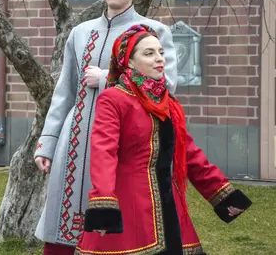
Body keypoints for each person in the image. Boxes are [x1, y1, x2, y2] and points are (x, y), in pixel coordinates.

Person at [33, 0, 179, 254]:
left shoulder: (155, 33)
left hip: (124, 149)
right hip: (75, 143)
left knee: (115, 233)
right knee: (62, 229)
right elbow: (64, 93)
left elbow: (166, 87)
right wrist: (47, 143)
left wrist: (109, 78)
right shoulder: (80, 32)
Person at [77, 24, 252, 254]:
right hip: (130, 207)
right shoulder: (114, 99)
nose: (159, 58)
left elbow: (188, 152)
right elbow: (103, 153)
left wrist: (222, 193)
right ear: (128, 62)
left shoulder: (167, 101)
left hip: (170, 204)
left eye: (160, 52)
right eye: (149, 53)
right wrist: (103, 205)